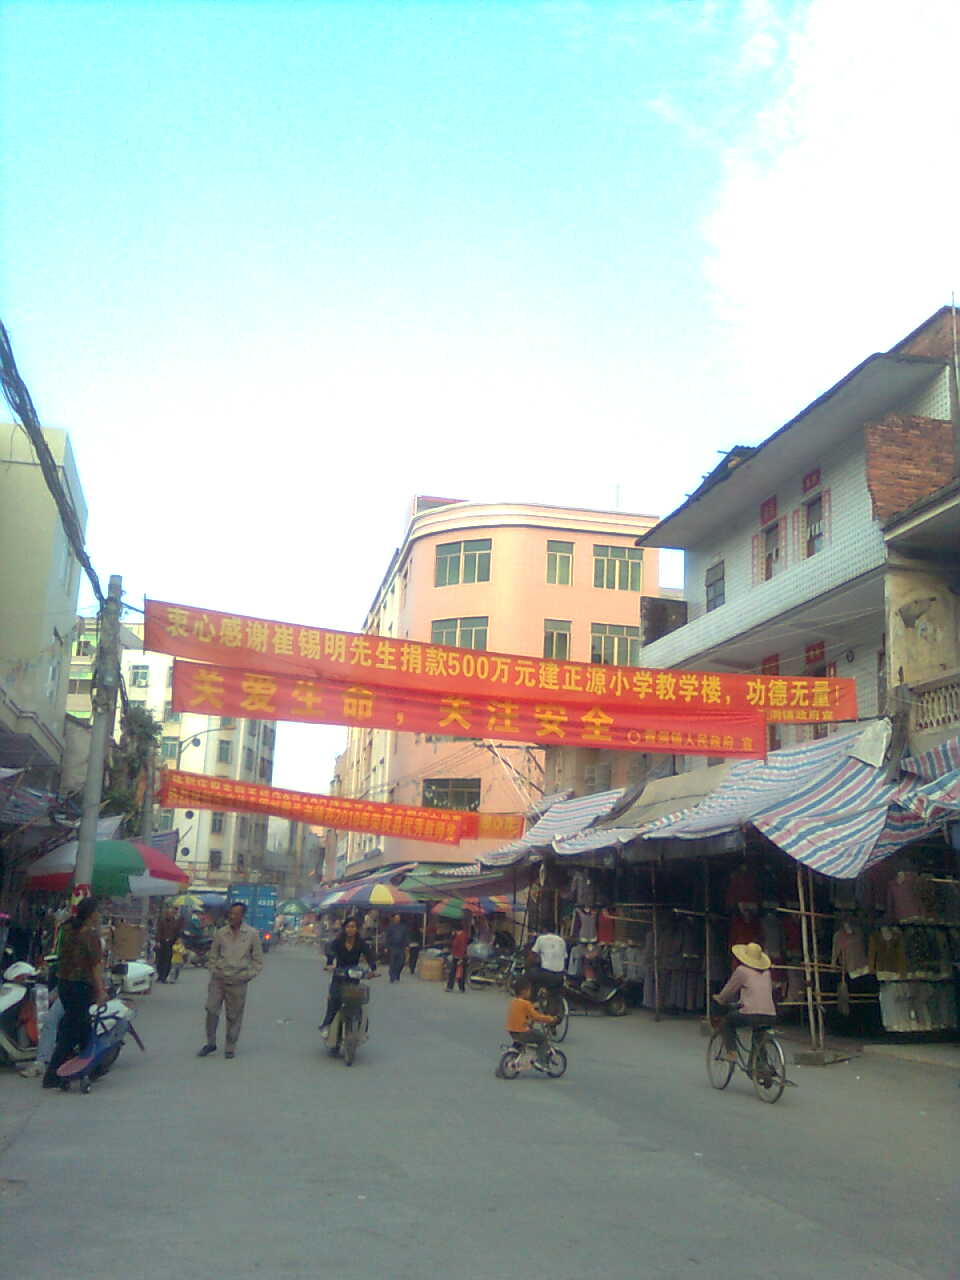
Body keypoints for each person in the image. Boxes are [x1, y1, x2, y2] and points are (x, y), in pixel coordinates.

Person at [43, 897, 107, 1090]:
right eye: (97, 911)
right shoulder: (90, 935)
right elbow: (95, 966)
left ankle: (93, 1067)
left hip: (64, 983)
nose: (99, 915)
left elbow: (58, 953)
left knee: (83, 1025)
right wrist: (101, 991)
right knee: (71, 1031)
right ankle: (52, 1075)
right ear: (91, 914)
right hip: (81, 986)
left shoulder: (66, 929)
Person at [197, 902, 264, 1060]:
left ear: (242, 916)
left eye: (235, 914)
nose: (231, 916)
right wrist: (214, 970)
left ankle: (230, 1046)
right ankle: (210, 1042)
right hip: (219, 979)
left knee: (234, 1015)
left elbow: (258, 960)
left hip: (238, 981)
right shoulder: (221, 933)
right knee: (211, 1009)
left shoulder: (252, 934)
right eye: (230, 913)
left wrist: (247, 975)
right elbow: (213, 954)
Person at [713, 941, 776, 1061]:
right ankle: (759, 1066)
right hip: (770, 1015)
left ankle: (731, 1052)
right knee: (759, 1038)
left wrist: (720, 999)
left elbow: (728, 991)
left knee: (727, 1022)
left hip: (751, 1014)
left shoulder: (742, 971)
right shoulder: (767, 973)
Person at [319, 917, 377, 1038]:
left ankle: (363, 1030)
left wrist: (373, 969)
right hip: (339, 973)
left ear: (357, 929)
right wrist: (330, 964)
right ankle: (326, 1025)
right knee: (334, 1000)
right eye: (348, 927)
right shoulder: (338, 941)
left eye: (353, 927)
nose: (351, 929)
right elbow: (330, 952)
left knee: (358, 1002)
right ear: (344, 928)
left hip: (354, 974)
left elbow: (369, 955)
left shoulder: (361, 943)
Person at [506, 976, 557, 1068]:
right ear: (524, 991)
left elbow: (522, 1014)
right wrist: (550, 1019)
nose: (530, 993)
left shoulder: (514, 1001)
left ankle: (517, 1052)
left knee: (528, 1034)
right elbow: (536, 1017)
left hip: (512, 1031)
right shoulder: (526, 1004)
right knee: (542, 1038)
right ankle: (541, 1061)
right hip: (522, 1032)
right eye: (529, 990)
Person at [527, 929, 567, 1009]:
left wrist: (528, 964)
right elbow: (564, 957)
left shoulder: (541, 938)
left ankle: (533, 1001)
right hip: (560, 976)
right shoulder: (561, 941)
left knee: (530, 975)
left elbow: (532, 955)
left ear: (544, 930)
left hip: (546, 974)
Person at [154, 907, 181, 983]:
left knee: (167, 960)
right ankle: (160, 975)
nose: (170, 914)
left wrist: (177, 940)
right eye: (169, 913)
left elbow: (177, 931)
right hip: (162, 942)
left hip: (170, 943)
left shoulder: (175, 921)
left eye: (172, 913)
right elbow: (158, 931)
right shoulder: (161, 921)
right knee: (159, 960)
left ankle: (164, 977)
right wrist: (158, 941)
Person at [445, 921, 470, 992]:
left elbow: (462, 947)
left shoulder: (461, 936)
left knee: (454, 972)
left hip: (459, 956)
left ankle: (450, 987)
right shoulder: (460, 935)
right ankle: (461, 988)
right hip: (458, 956)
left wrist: (461, 957)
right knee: (460, 972)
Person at [385, 913, 409, 983]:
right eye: (396, 918)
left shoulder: (403, 927)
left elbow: (406, 937)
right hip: (393, 947)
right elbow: (387, 937)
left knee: (401, 962)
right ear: (394, 919)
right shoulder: (390, 927)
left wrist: (407, 945)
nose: (397, 919)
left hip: (401, 947)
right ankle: (392, 976)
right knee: (392, 962)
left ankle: (397, 973)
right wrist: (386, 947)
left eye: (398, 918)